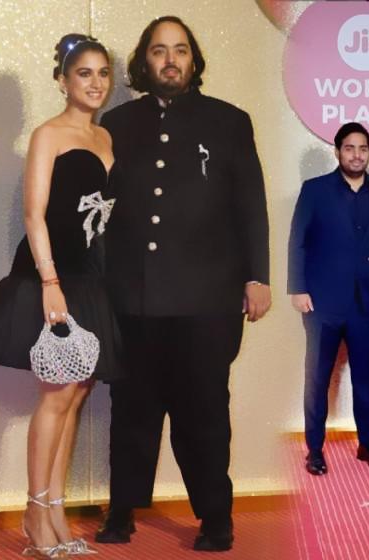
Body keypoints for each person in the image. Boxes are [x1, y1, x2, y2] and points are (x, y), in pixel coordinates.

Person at [96, 16, 271, 552]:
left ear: (193, 60)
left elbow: (250, 205)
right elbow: (99, 209)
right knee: (132, 411)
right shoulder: (116, 123)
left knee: (205, 416)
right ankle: (122, 510)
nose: (170, 60)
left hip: (207, 301)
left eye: (179, 50)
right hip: (134, 296)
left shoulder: (229, 121)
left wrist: (258, 276)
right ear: (143, 62)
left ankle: (216, 517)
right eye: (158, 50)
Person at [0, 33, 122, 558]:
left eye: (103, 73)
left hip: (92, 277)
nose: (96, 83)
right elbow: (34, 215)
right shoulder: (48, 134)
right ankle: (35, 513)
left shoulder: (106, 138)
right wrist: (50, 283)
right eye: (84, 74)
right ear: (62, 81)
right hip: (52, 276)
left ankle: (56, 510)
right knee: (56, 394)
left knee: (76, 394)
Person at [288, 122, 369, 476]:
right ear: (337, 151)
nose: (357, 155)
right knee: (317, 378)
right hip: (321, 303)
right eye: (350, 148)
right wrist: (297, 288)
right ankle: (314, 450)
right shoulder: (315, 190)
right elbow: (298, 241)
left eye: (363, 148)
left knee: (365, 378)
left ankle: (367, 444)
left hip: (366, 303)